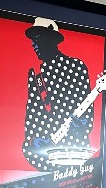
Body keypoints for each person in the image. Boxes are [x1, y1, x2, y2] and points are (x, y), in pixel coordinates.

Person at [22, 17, 93, 173]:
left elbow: (88, 112)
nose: (34, 44)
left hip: (74, 148)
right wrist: (33, 139)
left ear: (51, 40)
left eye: (38, 39)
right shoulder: (36, 74)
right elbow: (32, 112)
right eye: (33, 40)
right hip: (46, 154)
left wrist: (81, 126)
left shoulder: (76, 66)